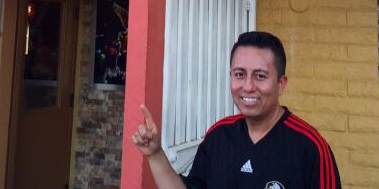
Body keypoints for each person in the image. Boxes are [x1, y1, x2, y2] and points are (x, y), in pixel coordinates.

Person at [131, 31, 341, 188]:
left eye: (260, 76)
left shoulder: (310, 147)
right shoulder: (218, 136)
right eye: (240, 74)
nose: (248, 86)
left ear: (281, 84)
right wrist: (155, 154)